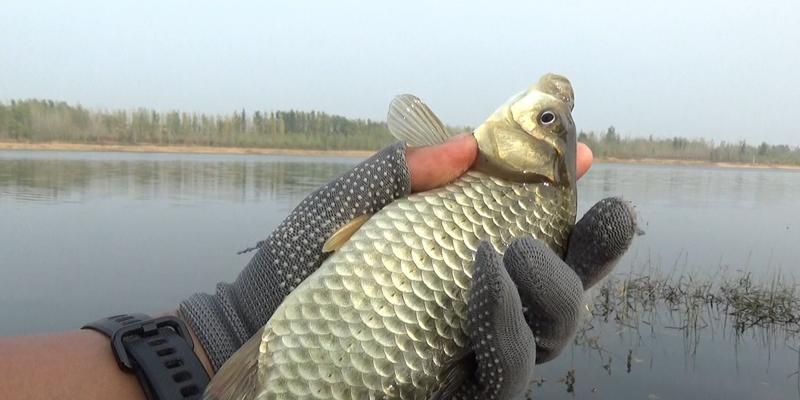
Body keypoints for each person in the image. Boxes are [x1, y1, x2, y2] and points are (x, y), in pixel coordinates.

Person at [0, 134, 636, 399]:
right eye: (548, 121)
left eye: (546, 120)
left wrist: (204, 348)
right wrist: (222, 332)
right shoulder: (467, 159)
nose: (546, 112)